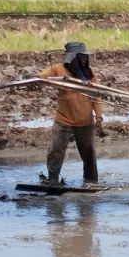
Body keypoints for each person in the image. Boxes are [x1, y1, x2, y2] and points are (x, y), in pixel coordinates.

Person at [39, 41, 106, 185]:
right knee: (55, 150)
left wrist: (99, 117)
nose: (84, 60)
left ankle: (91, 181)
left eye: (85, 57)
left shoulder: (89, 74)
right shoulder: (58, 69)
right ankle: (52, 180)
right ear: (72, 58)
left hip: (85, 121)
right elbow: (42, 78)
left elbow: (97, 97)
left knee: (88, 152)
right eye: (80, 57)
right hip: (63, 119)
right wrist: (49, 78)